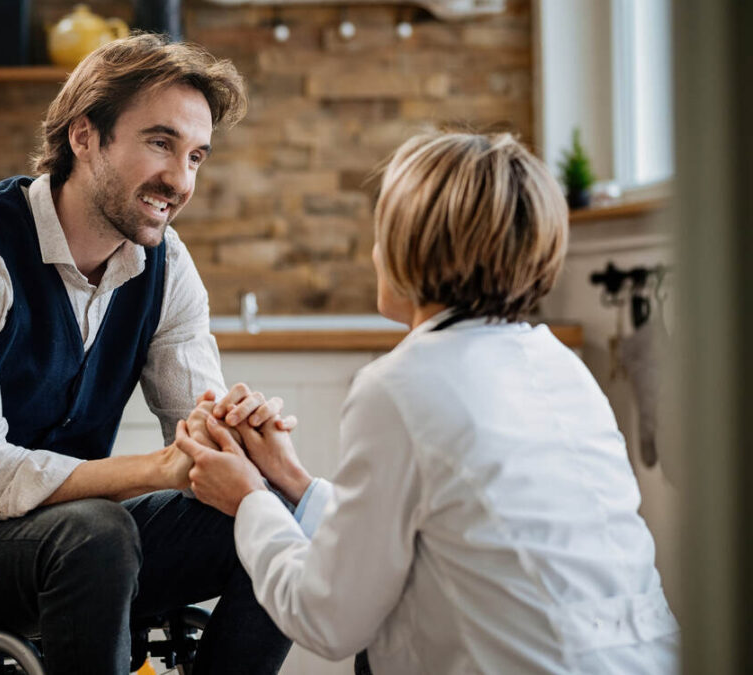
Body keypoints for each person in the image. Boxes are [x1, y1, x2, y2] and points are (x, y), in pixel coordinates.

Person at [0, 34, 292, 675]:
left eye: (196, 156)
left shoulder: (166, 267)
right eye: (160, 143)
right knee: (96, 534)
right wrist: (162, 468)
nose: (181, 179)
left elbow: (195, 438)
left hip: (65, 537)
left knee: (267, 515)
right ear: (84, 136)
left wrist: (235, 437)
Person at [178, 133, 681, 674]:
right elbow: (446, 533)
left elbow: (327, 618)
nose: (374, 250)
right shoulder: (558, 364)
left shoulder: (400, 383)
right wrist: (294, 480)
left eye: (381, 230)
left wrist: (251, 499)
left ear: (409, 247)